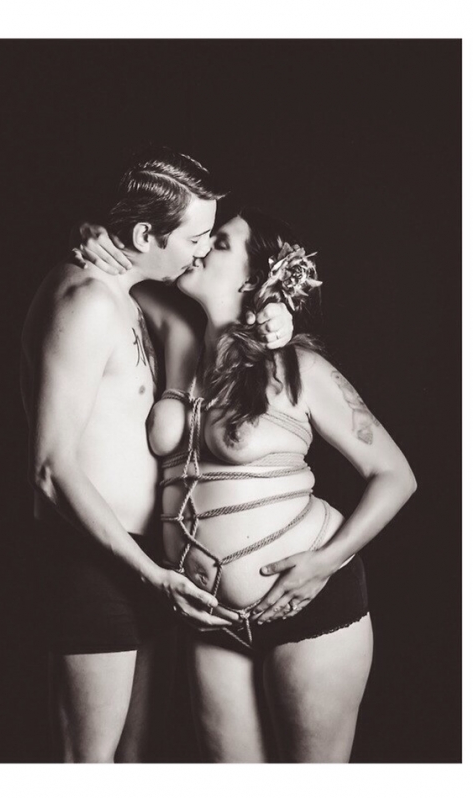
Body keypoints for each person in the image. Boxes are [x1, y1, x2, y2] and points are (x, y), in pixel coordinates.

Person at [84, 206, 417, 762]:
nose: (199, 247)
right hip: (211, 618)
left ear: (252, 280)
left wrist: (323, 564)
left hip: (311, 602)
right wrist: (94, 233)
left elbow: (396, 476)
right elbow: (129, 270)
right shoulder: (177, 343)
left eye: (218, 243)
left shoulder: (297, 368)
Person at [20, 148, 293, 763]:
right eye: (195, 239)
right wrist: (149, 574)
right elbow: (50, 470)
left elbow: (226, 313)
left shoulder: (136, 295)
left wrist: (274, 307)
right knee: (87, 764)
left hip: (147, 560)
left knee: (136, 758)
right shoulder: (87, 299)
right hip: (95, 558)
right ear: (147, 235)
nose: (200, 252)